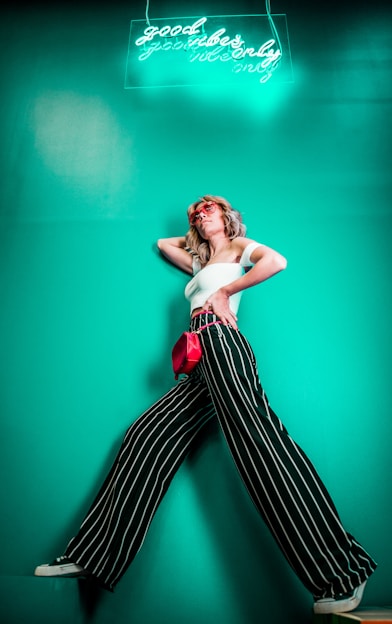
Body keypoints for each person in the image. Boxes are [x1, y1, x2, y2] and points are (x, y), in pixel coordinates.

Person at [34, 195, 376, 614]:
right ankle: (92, 555)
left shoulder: (237, 250)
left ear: (228, 215)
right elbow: (164, 243)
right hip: (198, 358)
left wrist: (226, 289)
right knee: (146, 435)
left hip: (222, 343)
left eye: (209, 206)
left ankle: (342, 571)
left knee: (260, 449)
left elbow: (277, 262)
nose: (200, 211)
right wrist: (198, 234)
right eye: (195, 210)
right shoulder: (199, 263)